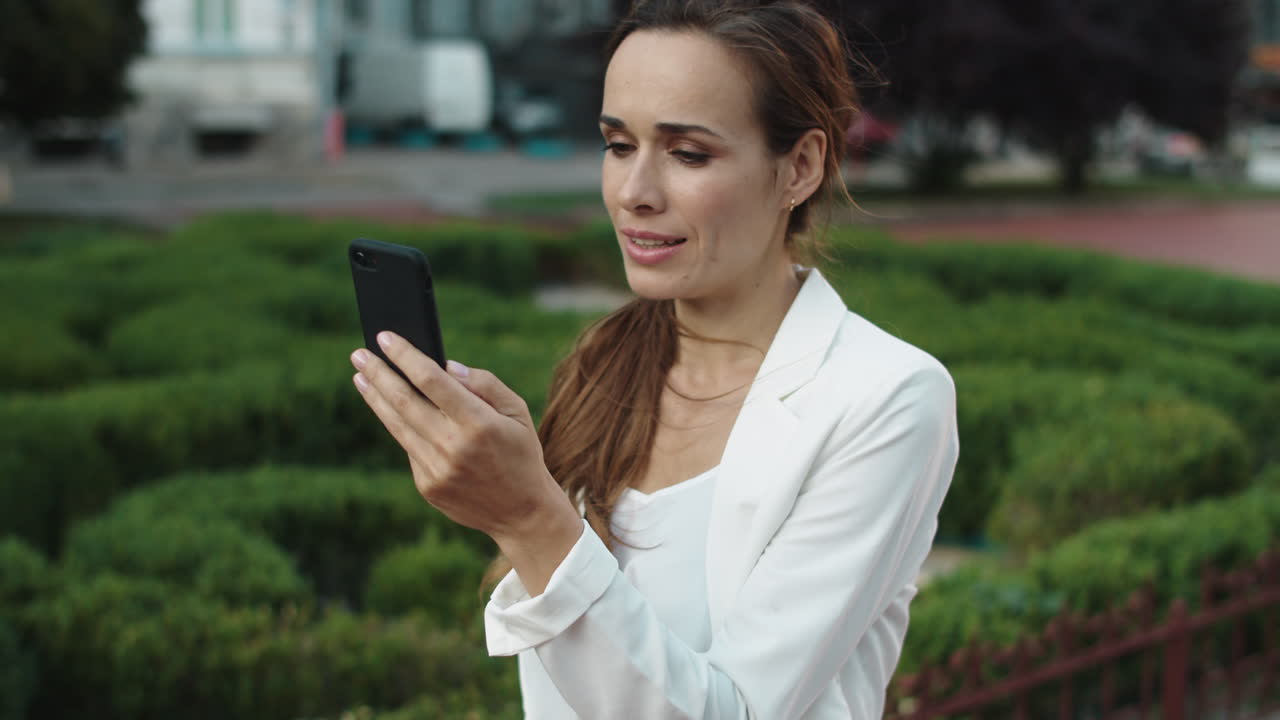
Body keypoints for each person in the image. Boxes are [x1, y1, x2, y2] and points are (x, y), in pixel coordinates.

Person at [348, 1, 959, 717]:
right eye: (617, 145)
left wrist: (529, 518)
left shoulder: (887, 398)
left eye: (688, 153)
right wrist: (514, 488)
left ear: (799, 167)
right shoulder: (603, 365)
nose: (634, 193)